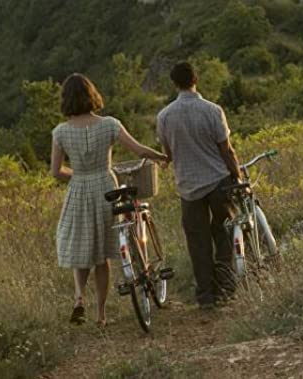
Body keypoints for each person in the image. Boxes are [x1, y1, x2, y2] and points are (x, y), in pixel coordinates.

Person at [51, 73, 169, 327]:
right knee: (102, 254)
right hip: (106, 187)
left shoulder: (60, 132)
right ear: (92, 95)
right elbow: (138, 150)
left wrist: (78, 174)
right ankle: (101, 315)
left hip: (79, 190)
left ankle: (79, 297)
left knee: (84, 248)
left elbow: (56, 171)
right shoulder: (109, 125)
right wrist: (161, 157)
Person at [156, 61, 241, 309]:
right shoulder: (213, 110)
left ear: (174, 84)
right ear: (196, 79)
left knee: (198, 241)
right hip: (218, 181)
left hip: (188, 187)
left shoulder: (164, 116)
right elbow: (226, 149)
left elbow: (168, 152)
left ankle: (205, 296)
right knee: (224, 233)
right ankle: (226, 287)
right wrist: (237, 175)